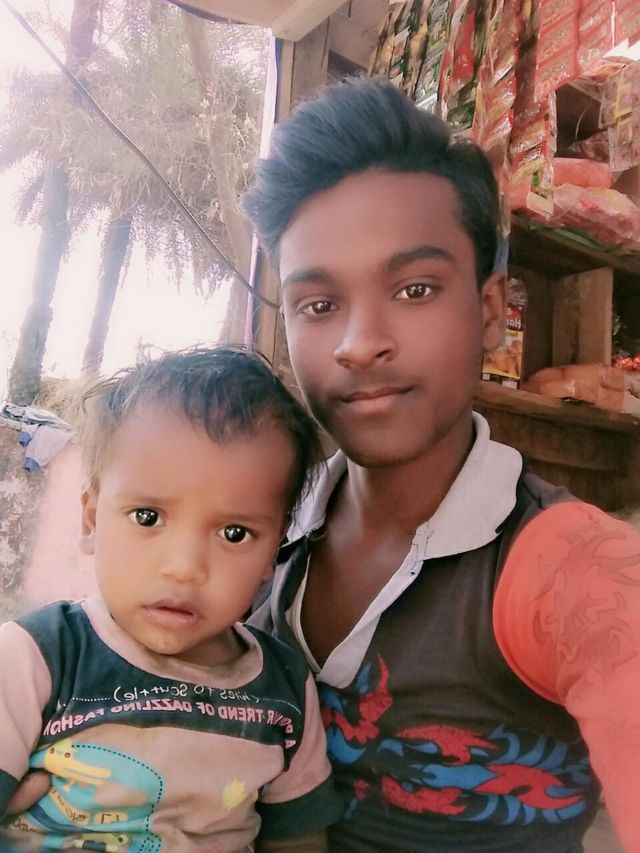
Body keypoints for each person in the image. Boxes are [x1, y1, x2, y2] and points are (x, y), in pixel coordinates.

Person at [242, 77, 640, 852]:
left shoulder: (572, 569)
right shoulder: (253, 529)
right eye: (318, 304)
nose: (360, 343)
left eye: (414, 288)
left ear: (489, 311)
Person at [0, 347, 343, 852]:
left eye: (234, 533)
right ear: (92, 519)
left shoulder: (285, 690)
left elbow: (299, 839)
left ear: (274, 549)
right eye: (147, 517)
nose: (184, 567)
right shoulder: (35, 659)